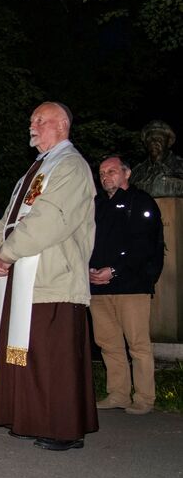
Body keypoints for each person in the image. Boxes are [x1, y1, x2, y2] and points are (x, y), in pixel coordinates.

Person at [0, 101, 98, 451]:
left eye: (39, 120)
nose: (31, 125)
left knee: (52, 358)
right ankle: (30, 418)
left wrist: (7, 252)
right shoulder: (34, 171)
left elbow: (50, 221)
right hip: (24, 278)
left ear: (62, 124)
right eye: (31, 119)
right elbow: (8, 218)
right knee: (27, 353)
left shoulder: (71, 167)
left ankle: (63, 428)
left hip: (54, 279)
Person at [90, 155, 164, 415]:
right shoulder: (95, 204)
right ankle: (118, 393)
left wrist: (115, 270)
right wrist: (89, 269)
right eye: (101, 172)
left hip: (132, 286)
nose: (105, 176)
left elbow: (144, 245)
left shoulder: (141, 201)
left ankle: (144, 397)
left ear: (127, 173)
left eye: (111, 171)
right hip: (98, 288)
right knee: (108, 343)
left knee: (138, 344)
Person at [130, 120, 183, 198]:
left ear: (169, 142)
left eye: (159, 139)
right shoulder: (136, 172)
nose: (153, 142)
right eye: (150, 139)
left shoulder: (180, 166)